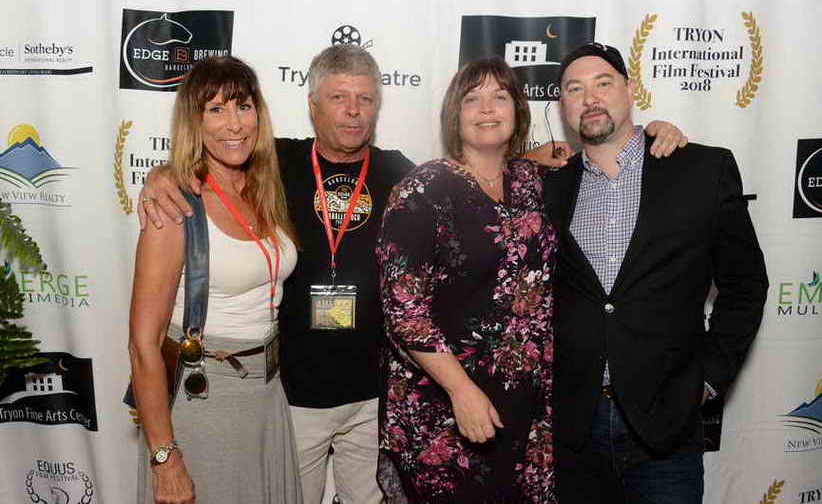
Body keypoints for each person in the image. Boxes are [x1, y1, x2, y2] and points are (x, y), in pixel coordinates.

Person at [137, 45, 686, 503]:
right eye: (338, 98)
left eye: (365, 99)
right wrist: (166, 175)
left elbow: (497, 173)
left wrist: (646, 135)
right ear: (312, 104)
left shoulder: (403, 171)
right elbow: (216, 158)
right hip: (292, 397)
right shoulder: (273, 163)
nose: (352, 112)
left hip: (373, 398)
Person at [545, 43, 769, 503]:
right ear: (562, 105)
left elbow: (746, 285)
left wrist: (707, 380)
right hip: (575, 430)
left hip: (666, 429)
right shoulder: (548, 186)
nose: (590, 98)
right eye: (574, 89)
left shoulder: (701, 169)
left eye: (603, 83)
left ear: (630, 90)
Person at [376, 57, 558, 502]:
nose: (487, 108)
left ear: (518, 109)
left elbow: (607, 152)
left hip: (527, 410)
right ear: (454, 115)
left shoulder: (534, 182)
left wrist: (656, 133)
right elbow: (404, 311)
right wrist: (461, 391)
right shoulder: (423, 189)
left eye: (500, 96)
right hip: (444, 408)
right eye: (473, 98)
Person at [128, 56, 303, 503]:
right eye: (216, 109)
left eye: (243, 106)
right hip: (205, 396)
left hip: (266, 393)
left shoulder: (264, 185)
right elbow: (144, 344)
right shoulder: (174, 206)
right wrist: (165, 458)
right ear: (195, 122)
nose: (234, 124)